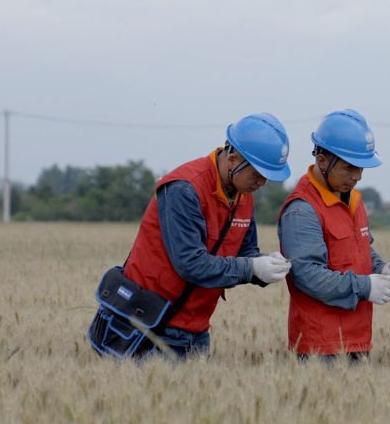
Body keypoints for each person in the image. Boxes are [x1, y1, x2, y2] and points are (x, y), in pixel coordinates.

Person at [89, 113, 294, 360]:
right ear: (233, 159)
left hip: (196, 329)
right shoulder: (184, 189)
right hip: (148, 326)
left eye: (269, 176)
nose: (263, 182)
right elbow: (190, 263)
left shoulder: (243, 194)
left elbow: (245, 254)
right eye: (259, 173)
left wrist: (267, 264)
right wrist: (251, 268)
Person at [279, 109, 390, 361]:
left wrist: (382, 269)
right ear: (322, 161)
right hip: (321, 346)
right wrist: (365, 286)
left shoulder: (353, 200)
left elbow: (361, 249)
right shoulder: (302, 209)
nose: (358, 176)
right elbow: (307, 274)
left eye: (362, 168)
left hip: (358, 338)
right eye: (350, 168)